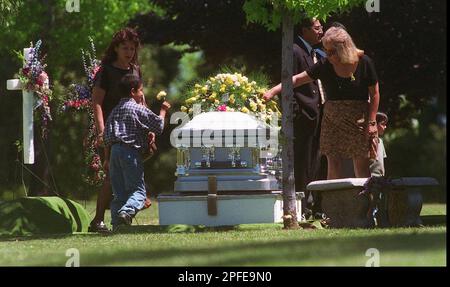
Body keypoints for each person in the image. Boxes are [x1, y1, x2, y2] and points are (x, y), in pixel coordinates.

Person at [264, 26, 380, 179]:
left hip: (359, 119)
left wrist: (372, 122)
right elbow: (298, 79)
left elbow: (375, 94)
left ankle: (365, 202)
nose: (328, 55)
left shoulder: (364, 62)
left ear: (344, 48)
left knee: (361, 163)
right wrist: (272, 91)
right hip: (332, 119)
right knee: (333, 162)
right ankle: (333, 201)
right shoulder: (326, 65)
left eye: (332, 51)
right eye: (326, 51)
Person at [89, 27, 153, 232]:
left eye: (132, 49)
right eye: (125, 48)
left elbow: (140, 99)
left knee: (142, 157)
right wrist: (101, 132)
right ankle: (98, 220)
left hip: (134, 129)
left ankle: (127, 209)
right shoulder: (106, 71)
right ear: (116, 48)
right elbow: (96, 102)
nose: (129, 52)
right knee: (110, 173)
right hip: (112, 130)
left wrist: (148, 124)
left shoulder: (135, 70)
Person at [103, 74, 171, 230]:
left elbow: (106, 136)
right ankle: (126, 213)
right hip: (129, 152)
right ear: (133, 91)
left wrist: (106, 158)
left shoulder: (115, 110)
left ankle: (117, 225)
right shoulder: (136, 108)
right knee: (139, 192)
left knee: (119, 193)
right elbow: (158, 126)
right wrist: (163, 110)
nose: (142, 94)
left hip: (114, 152)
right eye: (141, 90)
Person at [291, 18, 326, 219]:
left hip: (320, 113)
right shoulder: (295, 50)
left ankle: (316, 206)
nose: (321, 31)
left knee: (317, 162)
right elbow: (290, 81)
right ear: (305, 30)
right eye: (317, 28)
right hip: (304, 115)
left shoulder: (317, 53)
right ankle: (301, 208)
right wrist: (297, 111)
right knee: (302, 163)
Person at [370, 112, 388, 177]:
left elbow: (381, 163)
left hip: (380, 178)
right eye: (382, 124)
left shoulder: (381, 142)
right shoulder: (368, 141)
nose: (385, 127)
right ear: (375, 124)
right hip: (369, 178)